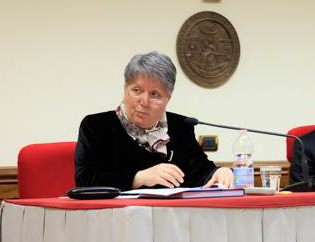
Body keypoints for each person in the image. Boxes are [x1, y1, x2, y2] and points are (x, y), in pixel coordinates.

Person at [74, 51, 233, 190]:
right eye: (137, 90)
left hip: (174, 213)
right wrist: (139, 178)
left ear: (167, 100)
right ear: (125, 90)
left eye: (155, 94)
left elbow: (201, 171)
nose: (144, 101)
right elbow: (85, 179)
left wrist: (219, 172)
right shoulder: (97, 126)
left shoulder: (180, 127)